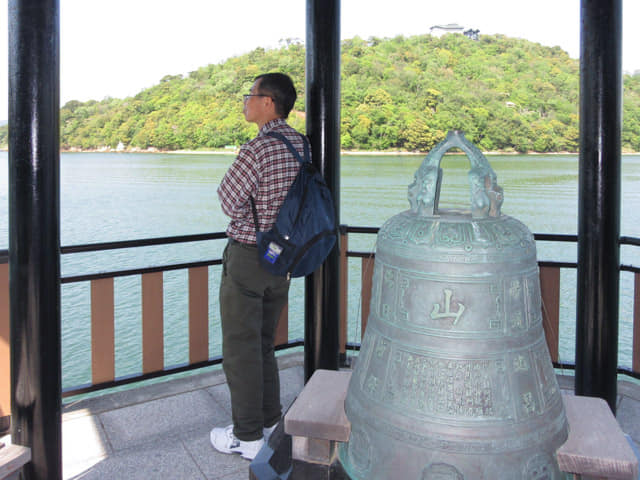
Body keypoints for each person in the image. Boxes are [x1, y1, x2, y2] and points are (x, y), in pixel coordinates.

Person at [210, 73, 305, 460]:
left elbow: (228, 201)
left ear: (268, 103)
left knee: (240, 350)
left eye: (250, 96)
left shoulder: (258, 148)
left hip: (249, 257)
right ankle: (269, 419)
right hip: (282, 259)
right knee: (264, 343)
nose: (245, 102)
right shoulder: (302, 145)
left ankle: (247, 438)